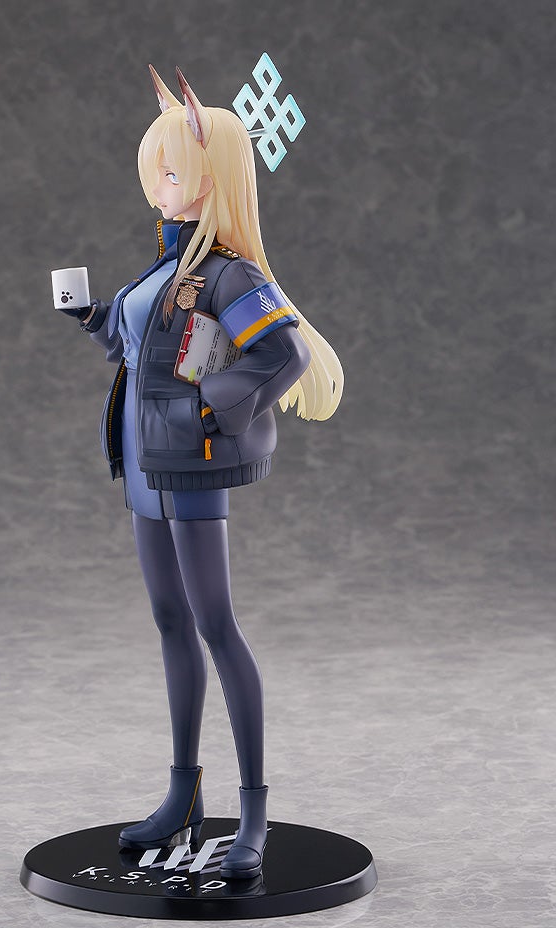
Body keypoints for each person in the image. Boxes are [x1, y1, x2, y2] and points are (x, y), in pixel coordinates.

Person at [61, 66, 343, 879]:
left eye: (173, 170)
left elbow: (282, 355)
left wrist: (207, 412)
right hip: (144, 464)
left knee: (216, 624)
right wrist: (92, 316)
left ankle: (252, 814)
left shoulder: (228, 274)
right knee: (170, 621)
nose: (160, 186)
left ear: (212, 175)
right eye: (155, 171)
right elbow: (140, 345)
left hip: (189, 465)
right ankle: (183, 794)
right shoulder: (167, 263)